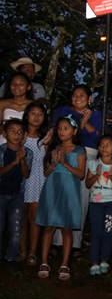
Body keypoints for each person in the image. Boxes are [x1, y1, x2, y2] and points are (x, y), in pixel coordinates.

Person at [51, 84, 102, 253]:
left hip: (87, 155)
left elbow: (97, 137)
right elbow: (56, 131)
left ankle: (75, 243)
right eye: (74, 95)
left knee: (81, 198)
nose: (77, 98)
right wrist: (80, 124)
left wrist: (85, 122)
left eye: (82, 95)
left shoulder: (95, 114)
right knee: (60, 195)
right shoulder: (64, 111)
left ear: (89, 98)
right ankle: (57, 241)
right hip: (65, 152)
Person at [36, 116, 87, 281]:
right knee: (49, 226)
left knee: (66, 228)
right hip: (52, 187)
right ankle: (44, 261)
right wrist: (54, 163)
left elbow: (81, 174)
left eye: (66, 128)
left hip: (69, 189)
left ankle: (65, 263)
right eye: (59, 128)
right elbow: (46, 172)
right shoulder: (55, 147)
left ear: (74, 131)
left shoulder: (79, 150)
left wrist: (65, 164)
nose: (61, 131)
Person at [85, 135, 112, 275]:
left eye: (108, 145)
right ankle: (94, 262)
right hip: (96, 203)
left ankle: (104, 260)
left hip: (111, 203)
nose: (104, 148)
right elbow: (87, 183)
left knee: (107, 232)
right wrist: (97, 174)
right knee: (96, 232)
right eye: (101, 145)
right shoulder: (93, 163)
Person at [21, 102, 51, 266]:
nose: (37, 117)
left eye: (40, 114)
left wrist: (47, 143)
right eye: (33, 113)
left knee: (34, 217)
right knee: (21, 216)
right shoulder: (20, 134)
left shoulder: (46, 137)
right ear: (26, 116)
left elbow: (47, 161)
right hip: (21, 180)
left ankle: (32, 252)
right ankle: (22, 250)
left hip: (38, 180)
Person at [0, 119, 32, 268]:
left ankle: (11, 258)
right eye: (12, 131)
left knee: (16, 228)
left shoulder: (27, 152)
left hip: (17, 195)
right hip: (1, 193)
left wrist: (23, 160)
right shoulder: (1, 151)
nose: (16, 135)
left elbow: (26, 174)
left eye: (20, 132)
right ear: (4, 134)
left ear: (24, 135)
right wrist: (14, 162)